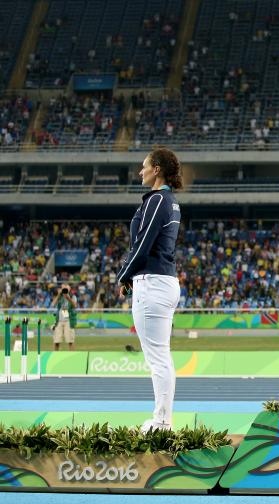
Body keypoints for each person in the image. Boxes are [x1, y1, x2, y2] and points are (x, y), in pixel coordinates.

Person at [117, 147, 183, 432]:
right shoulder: (166, 200)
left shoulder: (158, 199)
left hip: (153, 283)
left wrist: (123, 276)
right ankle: (162, 419)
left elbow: (143, 245)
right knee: (161, 357)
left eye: (143, 166)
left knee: (158, 359)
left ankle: (162, 422)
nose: (140, 171)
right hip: (159, 282)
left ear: (156, 169)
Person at [52, 283, 77, 351]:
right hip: (59, 320)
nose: (65, 290)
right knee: (56, 341)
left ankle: (72, 357)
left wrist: (68, 298)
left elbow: (75, 306)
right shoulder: (59, 297)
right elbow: (53, 304)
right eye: (63, 288)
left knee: (70, 341)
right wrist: (58, 294)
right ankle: (55, 356)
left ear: (69, 289)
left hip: (69, 320)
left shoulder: (72, 296)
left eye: (66, 288)